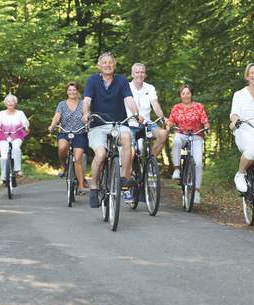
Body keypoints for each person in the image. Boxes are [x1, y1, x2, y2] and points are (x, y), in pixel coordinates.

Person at [82, 52, 142, 208]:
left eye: (111, 62)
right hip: (98, 124)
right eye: (104, 62)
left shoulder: (121, 80)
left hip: (118, 123)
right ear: (99, 66)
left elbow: (129, 100)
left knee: (127, 136)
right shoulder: (93, 80)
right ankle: (94, 186)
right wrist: (86, 113)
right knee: (101, 154)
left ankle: (123, 179)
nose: (108, 65)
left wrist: (136, 114)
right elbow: (87, 100)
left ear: (114, 66)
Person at [124, 63, 168, 202]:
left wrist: (162, 117)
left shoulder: (150, 88)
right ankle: (126, 188)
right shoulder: (126, 87)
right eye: (137, 72)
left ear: (145, 74)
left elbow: (155, 105)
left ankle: (150, 165)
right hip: (129, 123)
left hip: (146, 123)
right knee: (129, 154)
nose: (140, 74)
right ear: (132, 74)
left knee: (163, 134)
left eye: (142, 72)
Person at [166, 84, 210, 204]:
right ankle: (176, 169)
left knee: (198, 164)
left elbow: (205, 120)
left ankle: (196, 191)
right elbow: (171, 120)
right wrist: (168, 126)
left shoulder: (198, 106)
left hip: (196, 136)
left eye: (188, 93)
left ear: (191, 94)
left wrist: (206, 127)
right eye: (183, 93)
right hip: (182, 134)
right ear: (180, 96)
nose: (186, 96)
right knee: (175, 141)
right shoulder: (176, 108)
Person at [49, 82, 88, 194]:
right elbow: (57, 117)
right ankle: (64, 166)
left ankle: (81, 186)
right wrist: (52, 125)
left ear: (77, 91)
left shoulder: (83, 104)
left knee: (78, 158)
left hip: (80, 133)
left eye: (74, 90)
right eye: (70, 90)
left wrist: (87, 120)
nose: (72, 92)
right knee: (62, 147)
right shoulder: (62, 104)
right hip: (65, 132)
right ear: (67, 92)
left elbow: (86, 115)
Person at [230, 63, 254, 192]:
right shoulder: (239, 94)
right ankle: (240, 174)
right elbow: (234, 114)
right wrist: (236, 121)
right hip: (244, 130)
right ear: (247, 76)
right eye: (252, 72)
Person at [0, 94, 29, 184]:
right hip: (4, 136)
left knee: (16, 148)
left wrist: (26, 126)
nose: (10, 103)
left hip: (17, 135)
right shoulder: (1, 113)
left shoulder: (20, 113)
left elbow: (25, 122)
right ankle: (3, 176)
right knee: (4, 157)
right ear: (5, 103)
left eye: (12, 101)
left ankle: (17, 169)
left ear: (15, 103)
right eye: (8, 101)